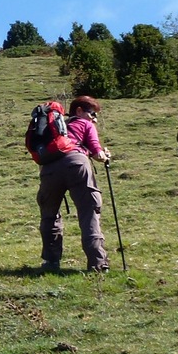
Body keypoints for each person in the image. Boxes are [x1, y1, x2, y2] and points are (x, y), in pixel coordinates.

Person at [35, 96, 111, 273]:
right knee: (89, 212)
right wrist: (105, 156)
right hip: (76, 164)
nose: (94, 119)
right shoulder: (85, 124)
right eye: (92, 114)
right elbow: (97, 154)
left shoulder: (53, 128)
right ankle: (98, 264)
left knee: (49, 215)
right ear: (79, 111)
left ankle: (50, 262)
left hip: (49, 170)